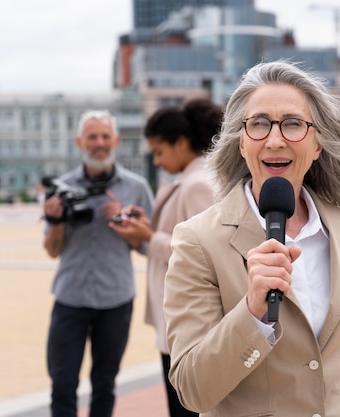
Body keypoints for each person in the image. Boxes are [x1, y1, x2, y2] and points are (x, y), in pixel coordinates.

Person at [164, 60, 340, 416]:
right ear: (241, 143)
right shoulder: (197, 241)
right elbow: (192, 389)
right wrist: (252, 313)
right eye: (259, 124)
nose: (275, 140)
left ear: (317, 144)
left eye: (293, 124)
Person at [109, 97, 222, 417]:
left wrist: (148, 237)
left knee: (185, 407)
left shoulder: (197, 184)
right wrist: (147, 228)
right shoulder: (188, 180)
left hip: (187, 320)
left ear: (181, 143)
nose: (156, 161)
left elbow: (206, 253)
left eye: (159, 151)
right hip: (180, 318)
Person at [42, 110, 155, 417]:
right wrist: (55, 221)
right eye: (92, 136)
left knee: (104, 383)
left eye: (105, 136)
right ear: (80, 142)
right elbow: (52, 250)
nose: (99, 143)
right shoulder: (60, 187)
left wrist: (123, 222)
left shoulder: (136, 187)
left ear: (116, 141)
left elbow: (149, 245)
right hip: (70, 298)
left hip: (116, 300)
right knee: (62, 383)